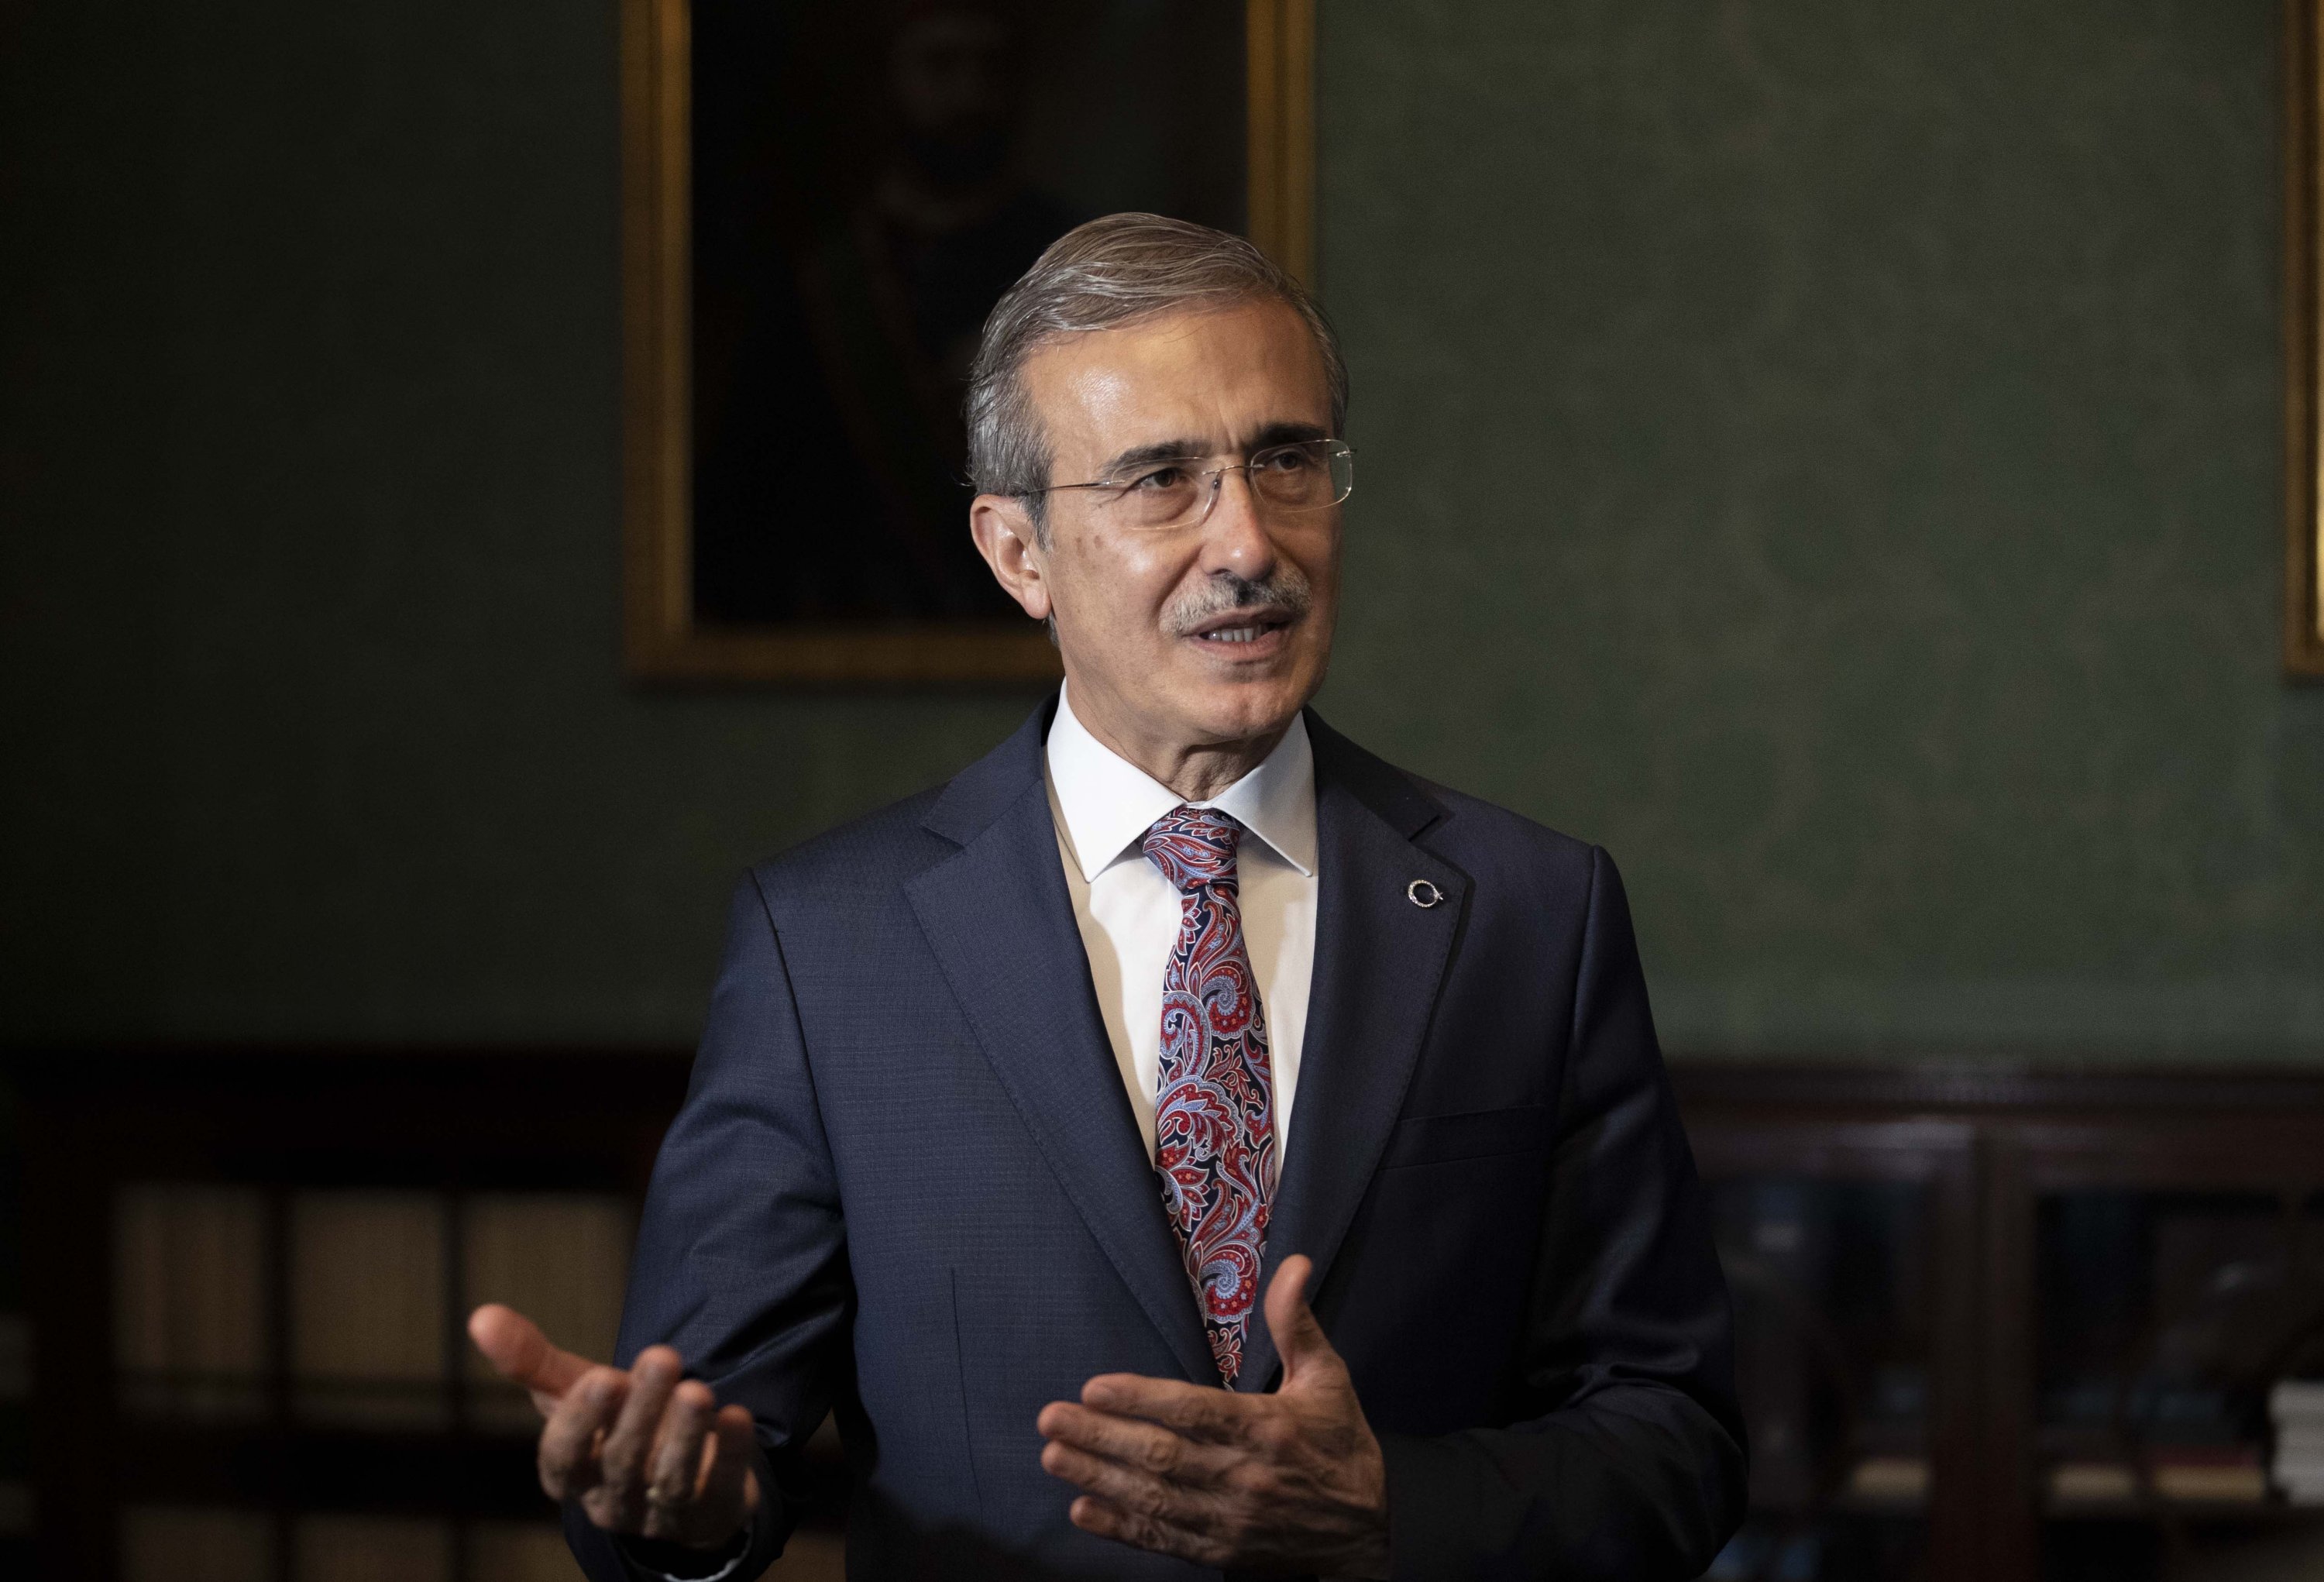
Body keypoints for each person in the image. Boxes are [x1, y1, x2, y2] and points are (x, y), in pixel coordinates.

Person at [470, 213, 1745, 1580]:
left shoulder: (1533, 913)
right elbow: (703, 1454)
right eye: (1161, 480)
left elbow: (1675, 1437)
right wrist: (676, 1504)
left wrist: (1391, 1507)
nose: (1248, 541)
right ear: (1018, 553)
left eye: (1286, 461)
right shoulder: (827, 945)